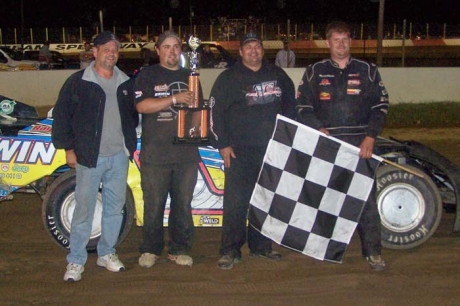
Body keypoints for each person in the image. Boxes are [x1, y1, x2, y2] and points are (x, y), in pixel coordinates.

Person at [296, 21, 389, 271]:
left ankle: (373, 252)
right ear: (327, 43)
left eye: (345, 39)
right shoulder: (314, 71)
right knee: (326, 198)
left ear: (351, 41)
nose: (341, 44)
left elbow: (380, 107)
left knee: (365, 200)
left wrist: (370, 136)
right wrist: (318, 129)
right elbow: (303, 106)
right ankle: (324, 249)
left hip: (360, 145)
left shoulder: (367, 70)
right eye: (336, 40)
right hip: (328, 145)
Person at [52, 31, 138, 282]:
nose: (112, 53)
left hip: (118, 157)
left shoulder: (125, 82)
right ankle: (76, 261)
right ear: (95, 52)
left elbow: (132, 117)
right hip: (90, 158)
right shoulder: (78, 81)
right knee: (84, 210)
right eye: (107, 49)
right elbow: (62, 116)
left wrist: (128, 145)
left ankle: (107, 253)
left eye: (115, 50)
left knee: (114, 209)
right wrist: (68, 148)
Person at [209, 32, 297, 270]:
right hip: (238, 152)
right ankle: (230, 250)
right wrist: (223, 144)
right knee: (236, 203)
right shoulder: (228, 78)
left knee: (265, 201)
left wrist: (289, 142)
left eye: (257, 46)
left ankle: (261, 247)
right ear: (240, 52)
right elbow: (215, 113)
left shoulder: (278, 75)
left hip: (272, 151)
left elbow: (292, 111)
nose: (253, 51)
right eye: (248, 47)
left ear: (262, 49)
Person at [134, 30, 203, 268]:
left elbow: (196, 112)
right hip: (155, 154)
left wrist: (195, 132)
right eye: (167, 47)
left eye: (176, 47)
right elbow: (142, 106)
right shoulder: (147, 75)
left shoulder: (191, 75)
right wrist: (174, 99)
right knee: (153, 204)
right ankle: (150, 249)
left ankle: (180, 248)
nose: (172, 51)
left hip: (185, 155)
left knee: (182, 204)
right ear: (158, 50)